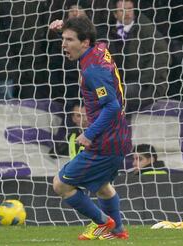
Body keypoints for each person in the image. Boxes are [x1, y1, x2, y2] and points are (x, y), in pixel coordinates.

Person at [49, 16, 132, 240]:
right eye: (63, 39)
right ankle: (117, 231)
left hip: (105, 139)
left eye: (68, 40)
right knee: (102, 186)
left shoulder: (92, 70)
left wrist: (89, 133)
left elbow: (112, 106)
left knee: (61, 184)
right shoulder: (98, 49)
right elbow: (85, 31)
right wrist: (63, 29)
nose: (63, 45)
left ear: (85, 42)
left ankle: (103, 223)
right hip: (118, 136)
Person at [97, 0, 169, 113]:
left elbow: (162, 54)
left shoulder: (145, 28)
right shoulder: (106, 32)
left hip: (148, 84)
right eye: (122, 10)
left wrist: (144, 80)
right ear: (115, 14)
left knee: (119, 94)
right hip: (120, 82)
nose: (128, 13)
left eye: (130, 9)